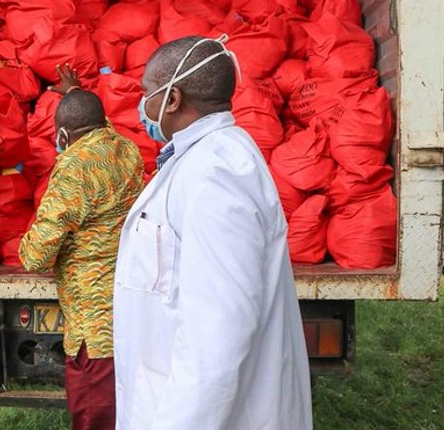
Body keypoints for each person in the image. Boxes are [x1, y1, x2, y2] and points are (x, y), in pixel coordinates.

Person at [113, 36, 313, 429]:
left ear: (172, 99)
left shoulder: (217, 174)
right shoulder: (198, 160)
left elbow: (217, 336)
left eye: (146, 94)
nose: (142, 106)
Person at [19, 77, 145, 430]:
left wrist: (24, 244)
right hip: (127, 309)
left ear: (61, 134)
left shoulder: (75, 167)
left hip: (94, 326)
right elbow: (98, 121)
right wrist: (76, 94)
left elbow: (37, 255)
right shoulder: (126, 149)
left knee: (94, 415)